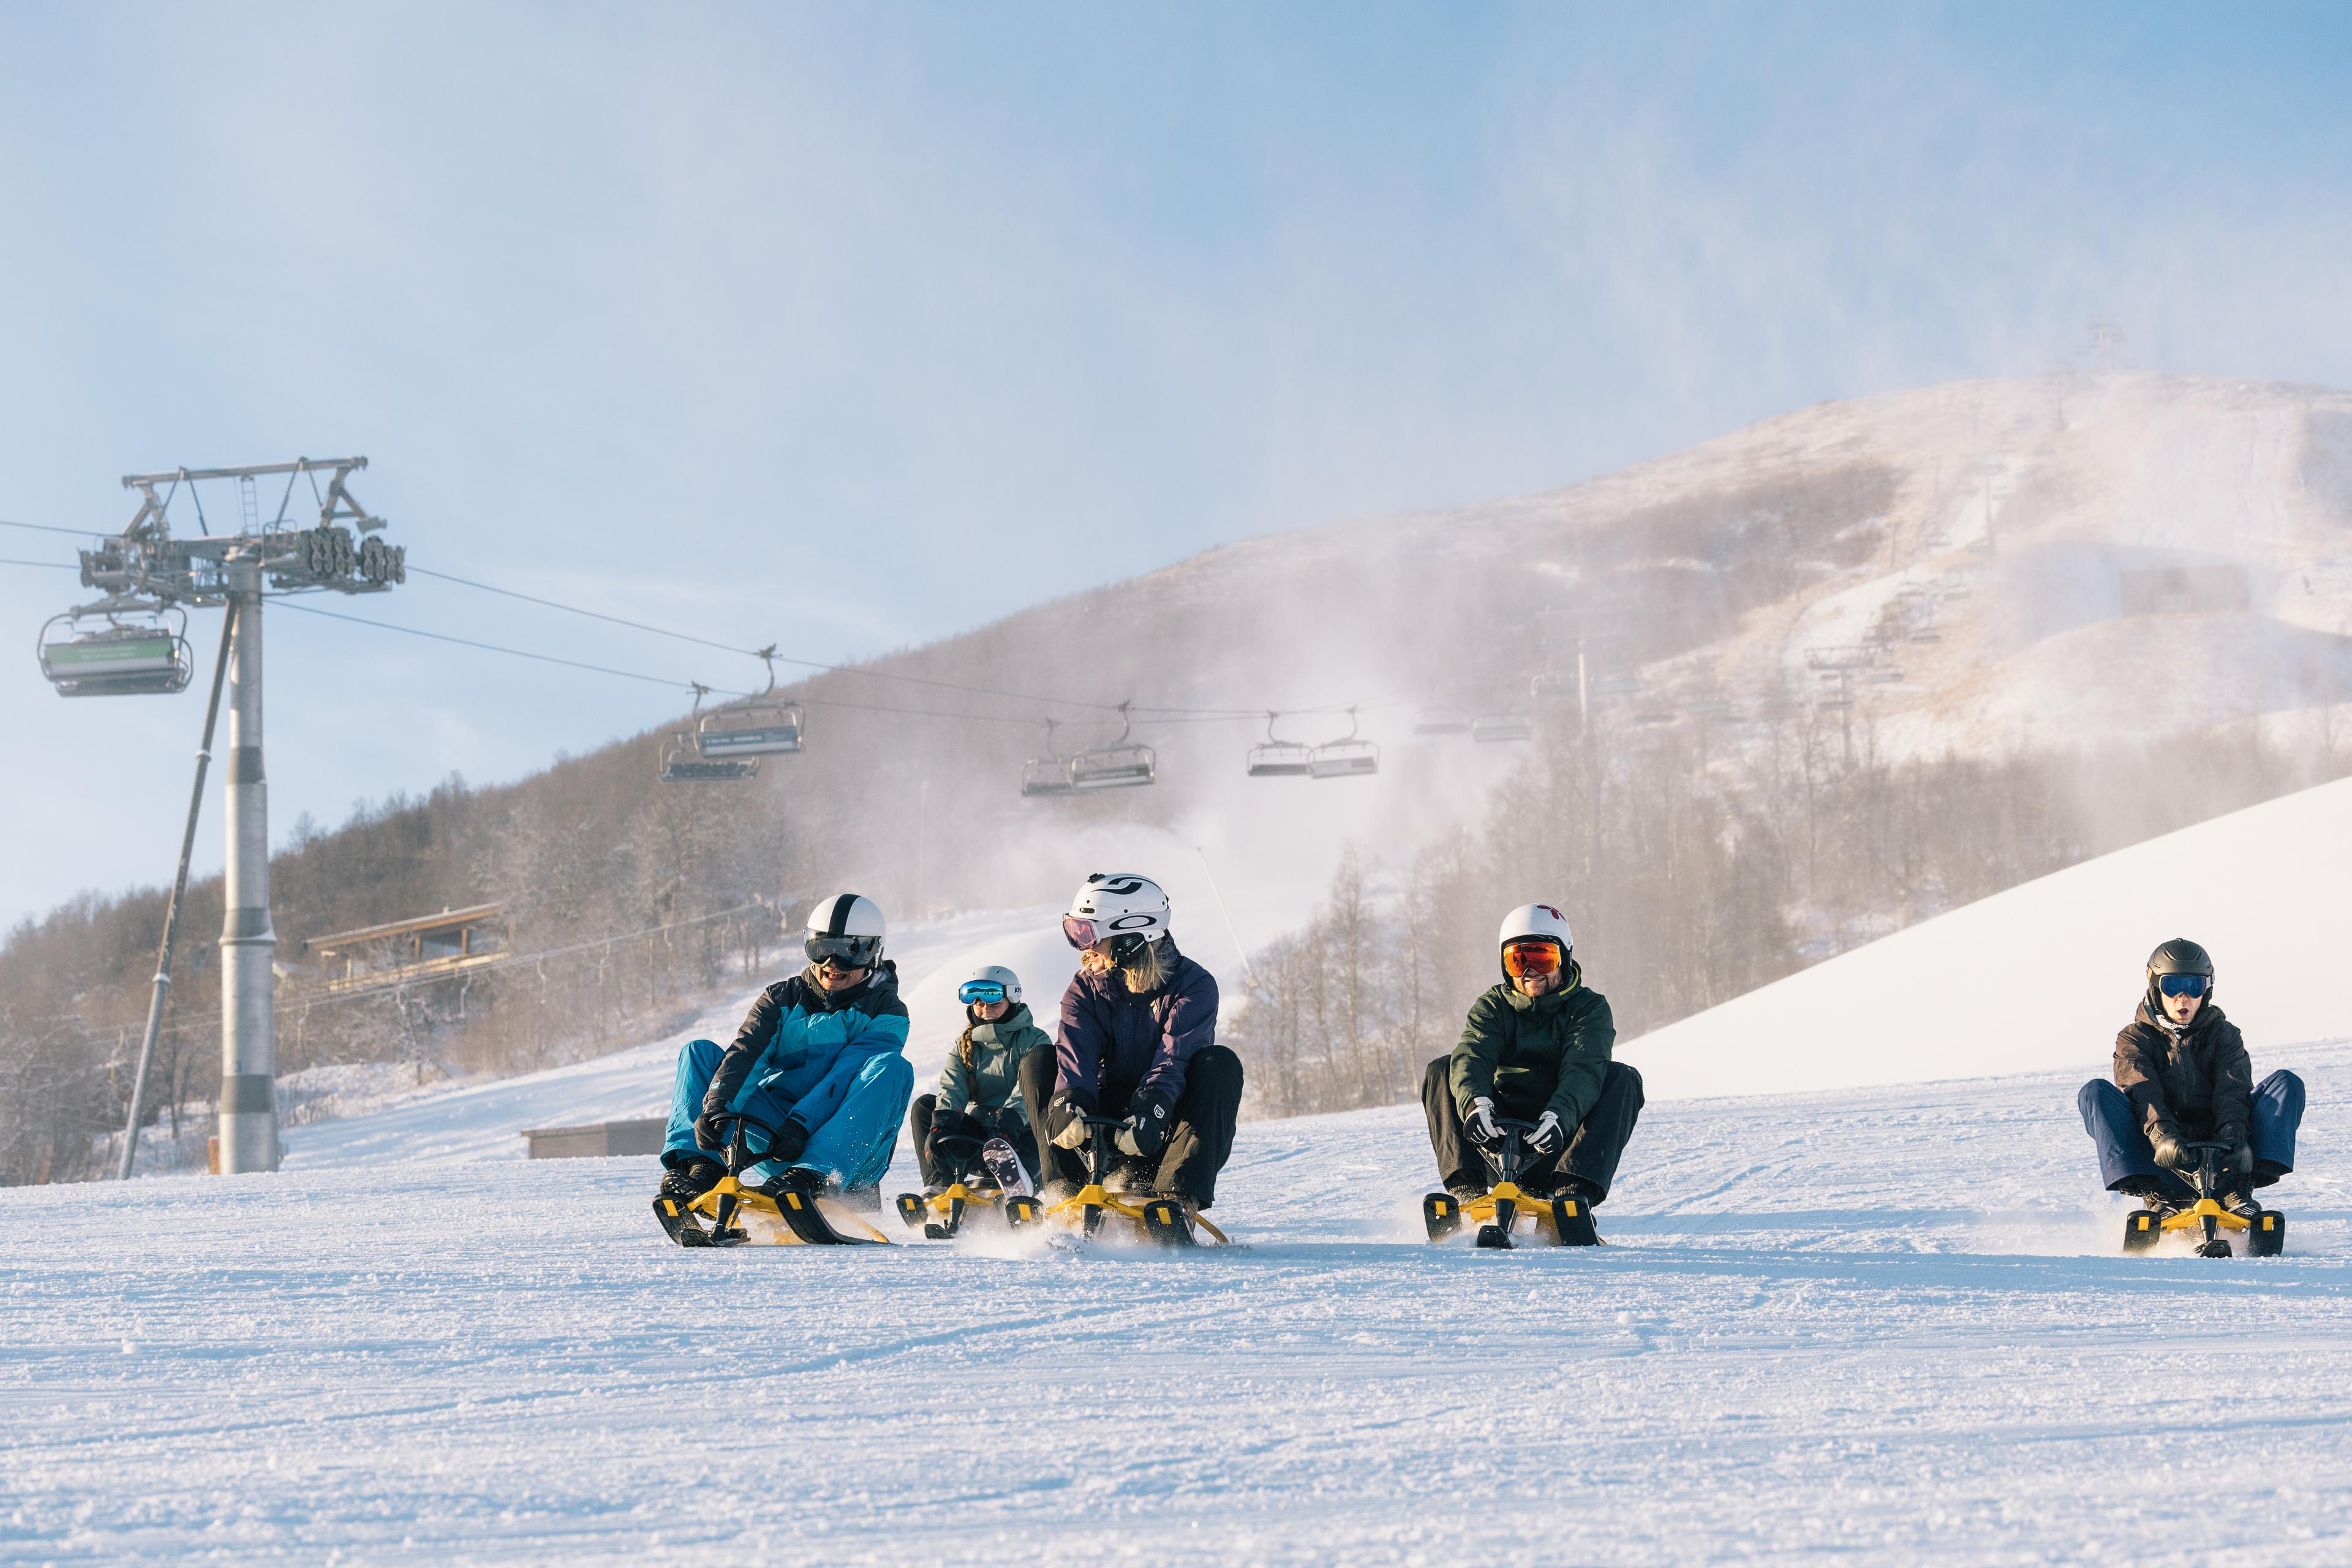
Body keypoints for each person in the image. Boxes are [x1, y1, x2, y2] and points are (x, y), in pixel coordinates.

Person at [654, 892, 913, 1232]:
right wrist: (717, 1107)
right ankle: (700, 1167)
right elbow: (746, 1056)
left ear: (872, 953)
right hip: (779, 1140)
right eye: (822, 950)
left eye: (849, 953)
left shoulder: (887, 1012)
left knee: (892, 1068)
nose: (832, 964)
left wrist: (801, 1124)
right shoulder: (781, 999)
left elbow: (846, 1073)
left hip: (846, 1152)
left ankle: (814, 1175)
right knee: (698, 1052)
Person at [1019, 872, 1245, 1216]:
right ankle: (1063, 1195)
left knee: (1220, 1064)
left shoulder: (1193, 986)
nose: (1083, 947)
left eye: (1088, 933)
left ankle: (1176, 1201)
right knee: (1038, 1062)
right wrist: (1069, 1104)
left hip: (1161, 1132)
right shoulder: (1085, 989)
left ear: (1129, 938)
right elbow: (1074, 1058)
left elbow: (1175, 1060)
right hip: (1099, 1140)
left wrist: (1150, 1112)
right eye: (1076, 931)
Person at [1422, 903, 1644, 1207]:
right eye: (1518, 961)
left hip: (1557, 1144)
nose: (1529, 973)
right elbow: (1473, 1054)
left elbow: (1584, 1069)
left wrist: (1558, 1118)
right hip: (1493, 1141)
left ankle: (1571, 1196)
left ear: (1564, 958)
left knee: (1623, 1077)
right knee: (1442, 1069)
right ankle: (1467, 1192)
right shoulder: (1492, 1006)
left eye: (1542, 959)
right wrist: (1476, 1105)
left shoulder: (1589, 1008)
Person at [2078, 938, 2304, 1219]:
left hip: (2225, 1157)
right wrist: (2162, 1136)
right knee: (2095, 1092)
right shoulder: (2134, 1038)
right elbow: (2141, 1089)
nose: (2182, 998)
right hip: (2162, 1156)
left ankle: (2238, 1189)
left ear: (2206, 990)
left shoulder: (2225, 1034)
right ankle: (2154, 1192)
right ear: (2155, 987)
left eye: (2194, 986)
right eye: (2172, 986)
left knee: (2286, 1084)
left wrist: (2234, 1136)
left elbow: (2233, 1088)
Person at [907, 963, 1050, 1191]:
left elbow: (1030, 1089)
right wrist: (942, 1127)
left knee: (1041, 1121)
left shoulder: (1034, 1041)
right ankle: (939, 1185)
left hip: (1020, 1135)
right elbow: (953, 1087)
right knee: (925, 1106)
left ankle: (1022, 1183)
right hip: (980, 1139)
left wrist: (1006, 1126)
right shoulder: (965, 1044)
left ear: (1012, 1001)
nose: (986, 1011)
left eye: (995, 1004)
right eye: (980, 1004)